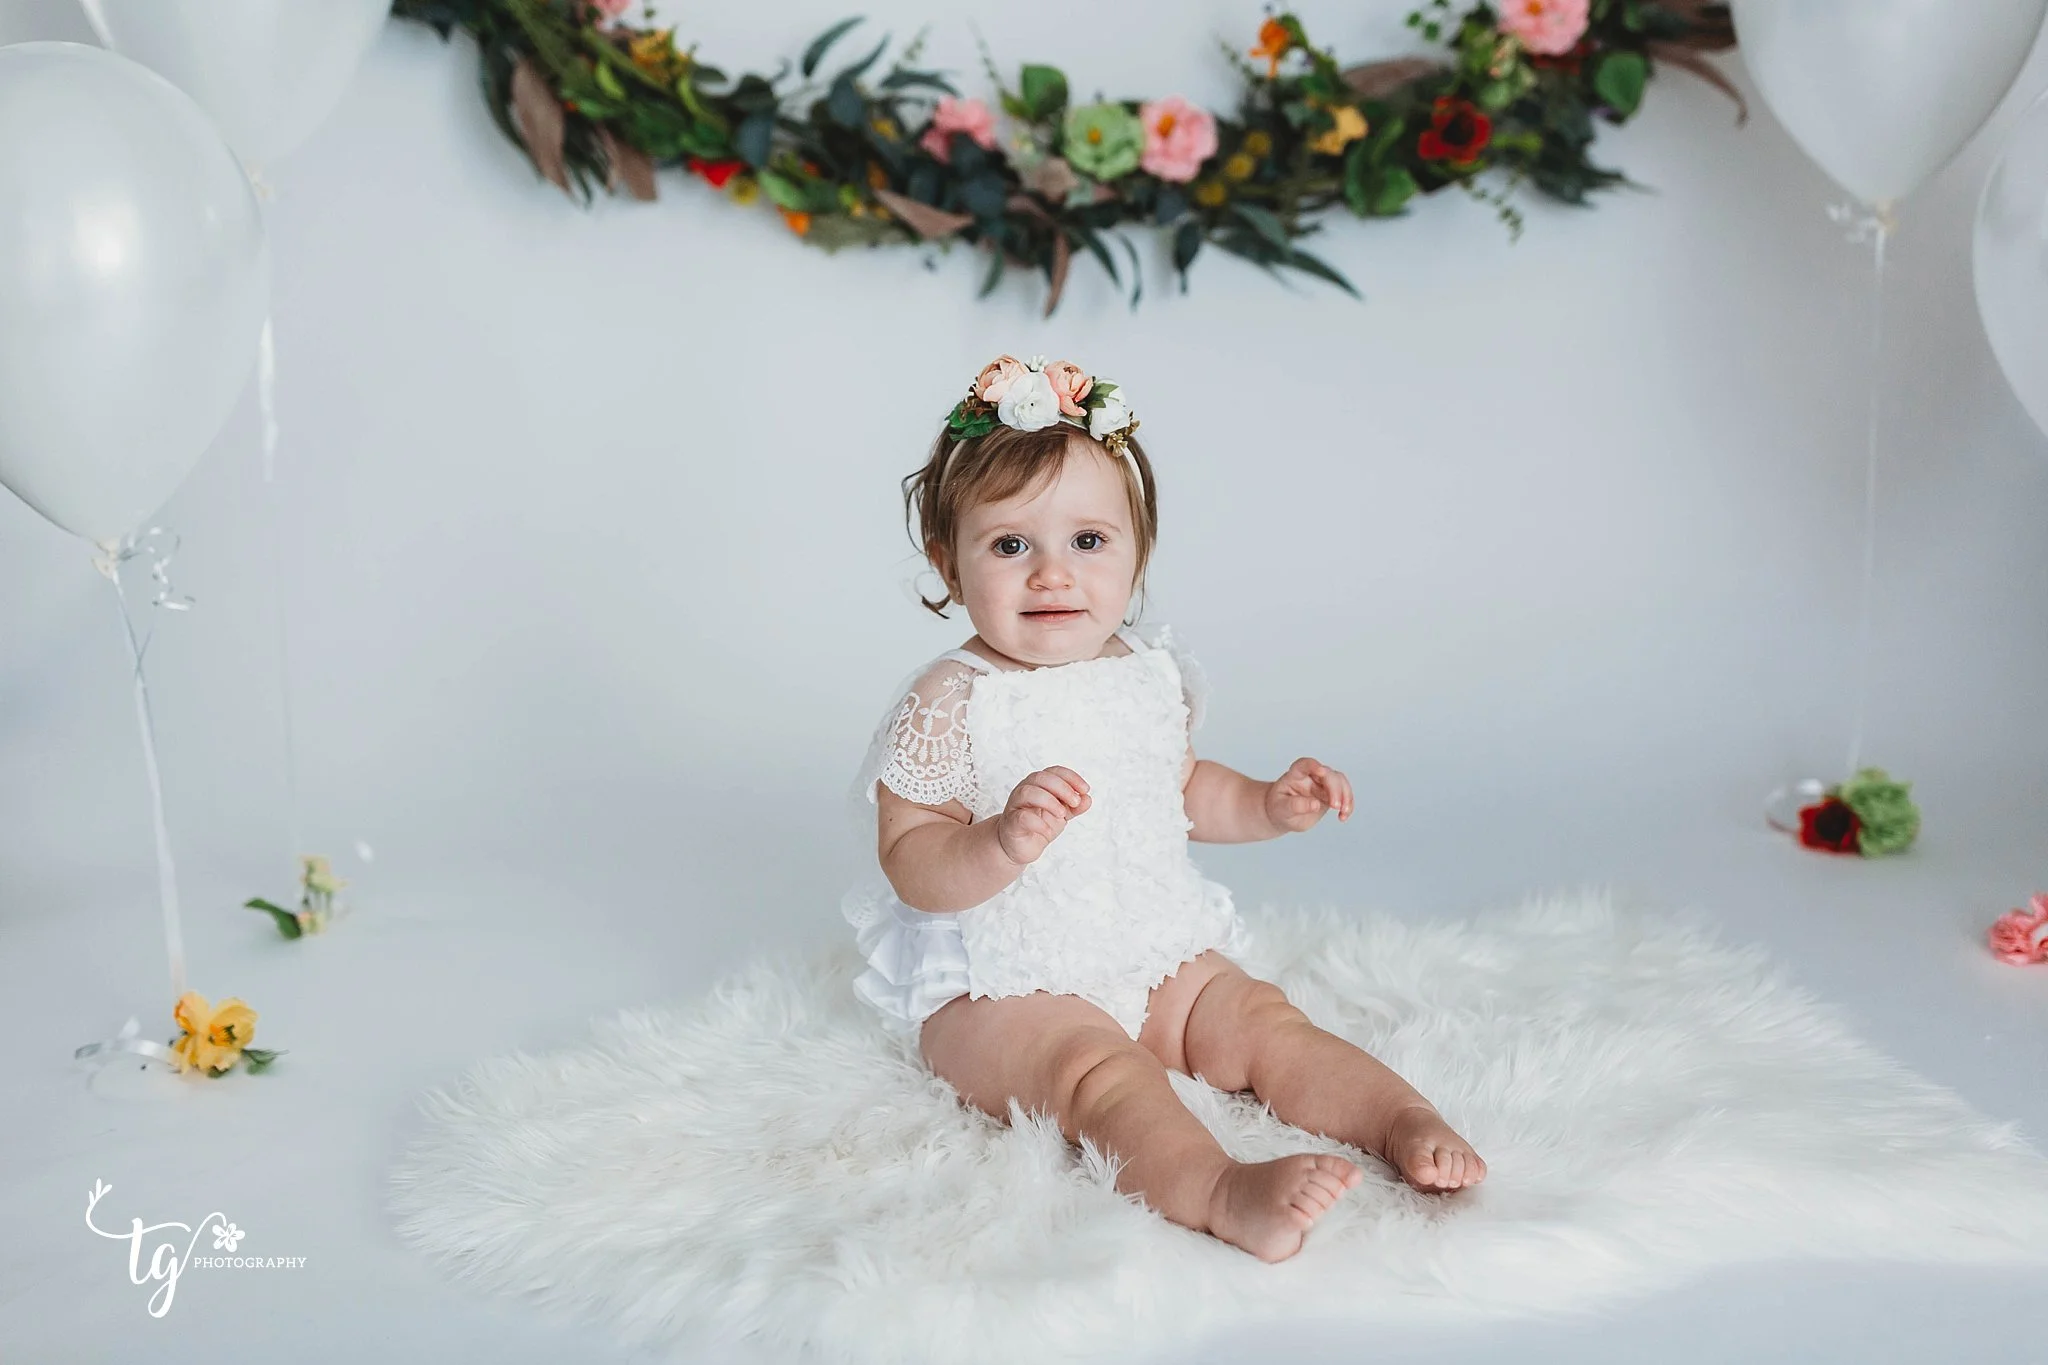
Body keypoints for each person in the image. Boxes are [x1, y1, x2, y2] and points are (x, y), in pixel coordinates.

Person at [842, 353, 1485, 1263]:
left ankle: (1400, 1118)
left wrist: (1266, 802)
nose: (1053, 575)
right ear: (949, 559)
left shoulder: (1146, 675)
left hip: (1146, 944)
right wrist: (997, 841)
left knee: (1262, 1018)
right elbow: (911, 853)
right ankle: (1219, 1188)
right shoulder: (954, 697)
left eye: (1089, 542)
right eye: (1011, 545)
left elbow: (1181, 790)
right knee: (1098, 1074)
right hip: (1004, 982)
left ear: (1137, 548)